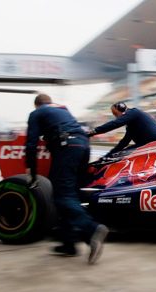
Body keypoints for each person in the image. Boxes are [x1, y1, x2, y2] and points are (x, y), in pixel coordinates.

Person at [25, 94, 108, 264]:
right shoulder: (62, 109)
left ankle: (92, 230)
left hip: (67, 146)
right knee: (71, 196)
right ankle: (68, 244)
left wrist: (31, 172)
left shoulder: (37, 113)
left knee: (62, 196)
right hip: (84, 145)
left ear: (37, 105)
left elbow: (31, 144)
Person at [87, 102, 156, 157]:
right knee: (121, 153)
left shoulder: (133, 112)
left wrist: (93, 132)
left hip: (155, 142)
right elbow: (124, 142)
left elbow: (114, 124)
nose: (115, 116)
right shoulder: (132, 124)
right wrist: (109, 155)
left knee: (124, 155)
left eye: (115, 113)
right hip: (151, 142)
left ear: (120, 110)